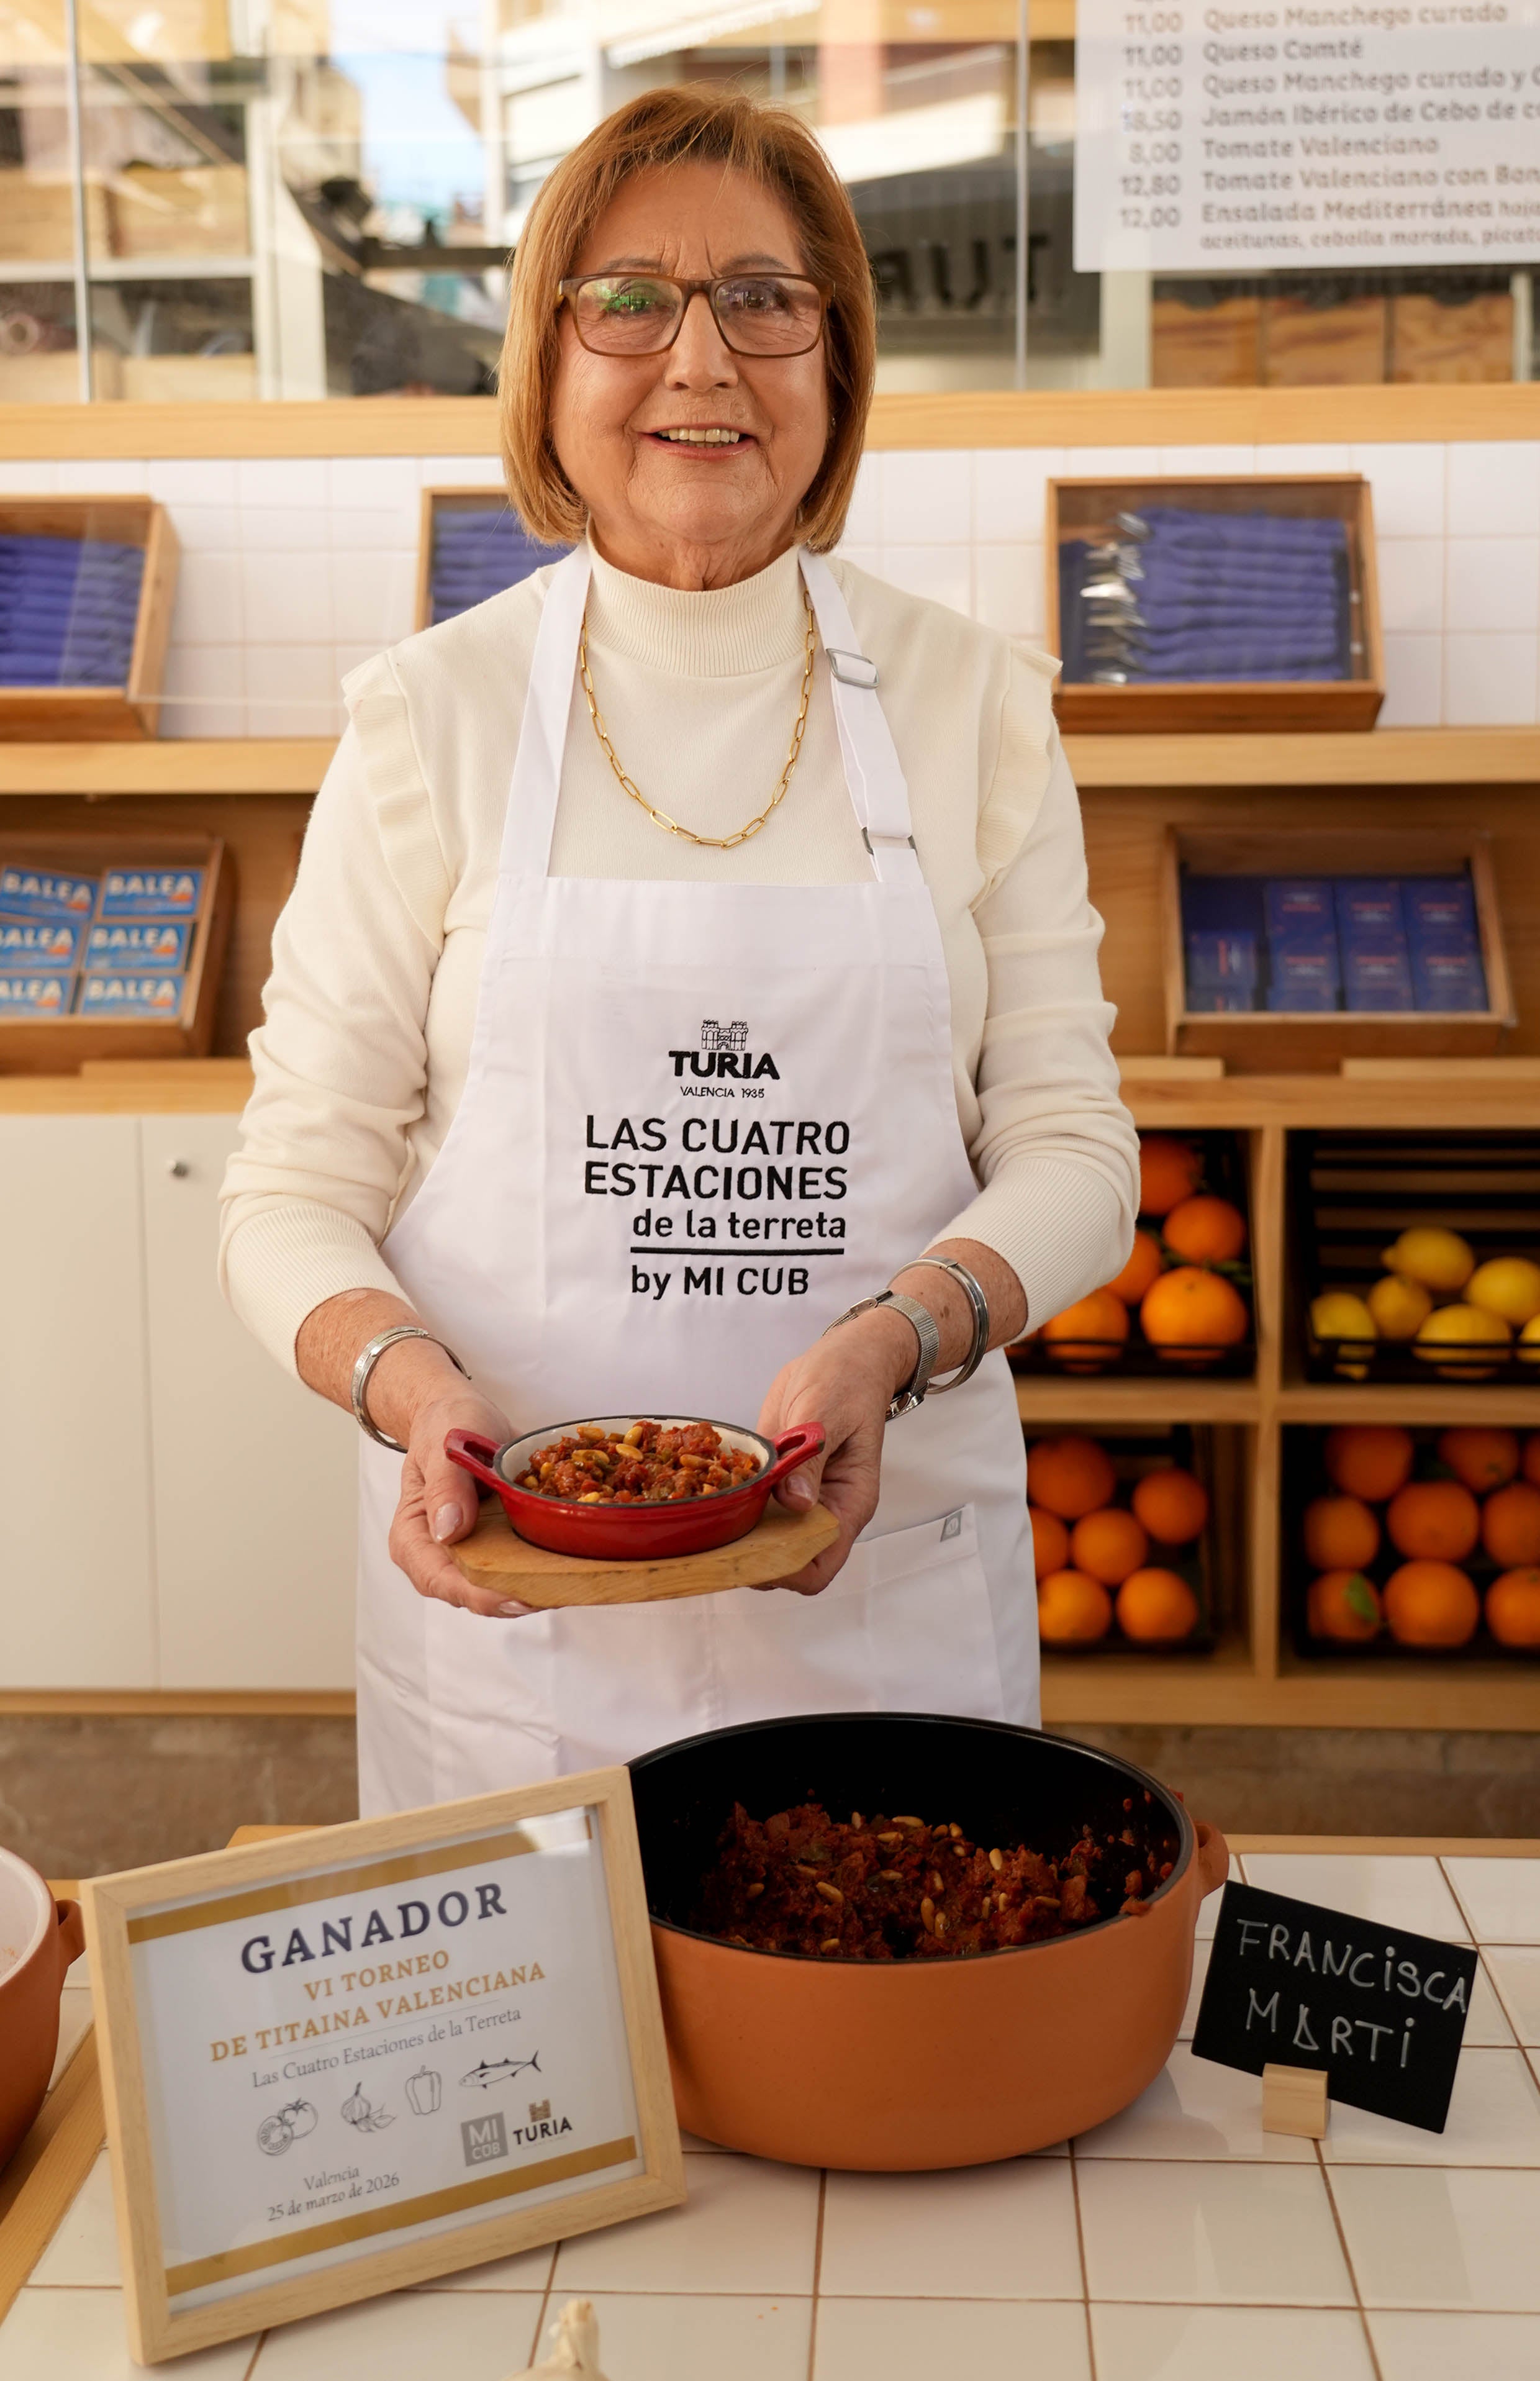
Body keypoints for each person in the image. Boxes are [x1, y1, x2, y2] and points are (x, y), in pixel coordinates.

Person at [220, 85, 1139, 1815]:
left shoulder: (977, 710)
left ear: (838, 364)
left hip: (887, 1605)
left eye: (767, 300)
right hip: (517, 1628)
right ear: (550, 367)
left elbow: (1078, 1150)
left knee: (883, 2061)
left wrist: (901, 1336)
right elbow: (286, 1190)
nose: (702, 360)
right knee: (549, 2089)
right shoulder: (432, 718)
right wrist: (409, 1390)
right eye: (628, 300)